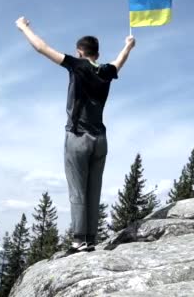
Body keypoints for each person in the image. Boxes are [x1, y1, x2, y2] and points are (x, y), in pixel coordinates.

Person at [15, 16, 136, 254]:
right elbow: (119, 61)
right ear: (97, 54)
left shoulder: (77, 66)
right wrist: (128, 45)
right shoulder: (107, 71)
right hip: (100, 140)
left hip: (78, 137)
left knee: (78, 191)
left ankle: (79, 240)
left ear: (80, 52)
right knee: (94, 190)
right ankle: (90, 239)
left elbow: (41, 48)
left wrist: (23, 27)